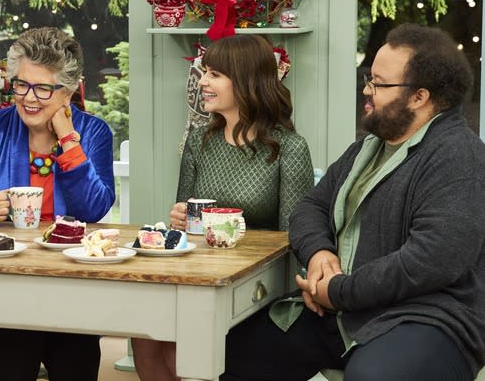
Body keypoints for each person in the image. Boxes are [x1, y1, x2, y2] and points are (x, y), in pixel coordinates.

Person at [220, 23, 485, 381]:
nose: (367, 89)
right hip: (344, 310)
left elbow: (429, 261)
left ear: (420, 96)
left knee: (373, 376)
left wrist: (338, 291)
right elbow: (309, 208)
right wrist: (318, 254)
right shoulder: (368, 147)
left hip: (428, 318)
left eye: (379, 83)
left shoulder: (459, 156)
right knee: (236, 350)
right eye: (369, 79)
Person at [0, 27, 114, 381]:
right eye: (21, 85)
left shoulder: (94, 133)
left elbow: (94, 210)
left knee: (76, 345)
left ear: (69, 91)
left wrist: (69, 143)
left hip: (68, 284)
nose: (29, 98)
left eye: (44, 88)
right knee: (21, 337)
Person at [132, 33, 314, 381]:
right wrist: (179, 218)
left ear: (245, 81)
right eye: (205, 73)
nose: (202, 82)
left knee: (181, 346)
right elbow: (182, 229)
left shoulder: (289, 148)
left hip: (258, 288)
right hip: (200, 276)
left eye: (214, 74)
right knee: (146, 334)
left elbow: (294, 239)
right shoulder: (200, 143)